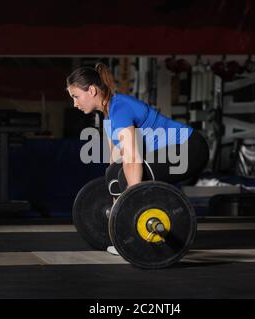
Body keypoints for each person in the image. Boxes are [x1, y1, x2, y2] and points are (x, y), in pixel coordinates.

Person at [67, 63, 209, 255]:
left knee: (129, 178)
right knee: (115, 174)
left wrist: (131, 205)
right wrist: (116, 214)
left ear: (91, 90)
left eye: (76, 96)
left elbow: (132, 159)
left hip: (190, 149)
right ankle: (121, 232)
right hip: (177, 151)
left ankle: (133, 234)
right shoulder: (108, 116)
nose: (75, 103)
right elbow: (115, 163)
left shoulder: (120, 108)